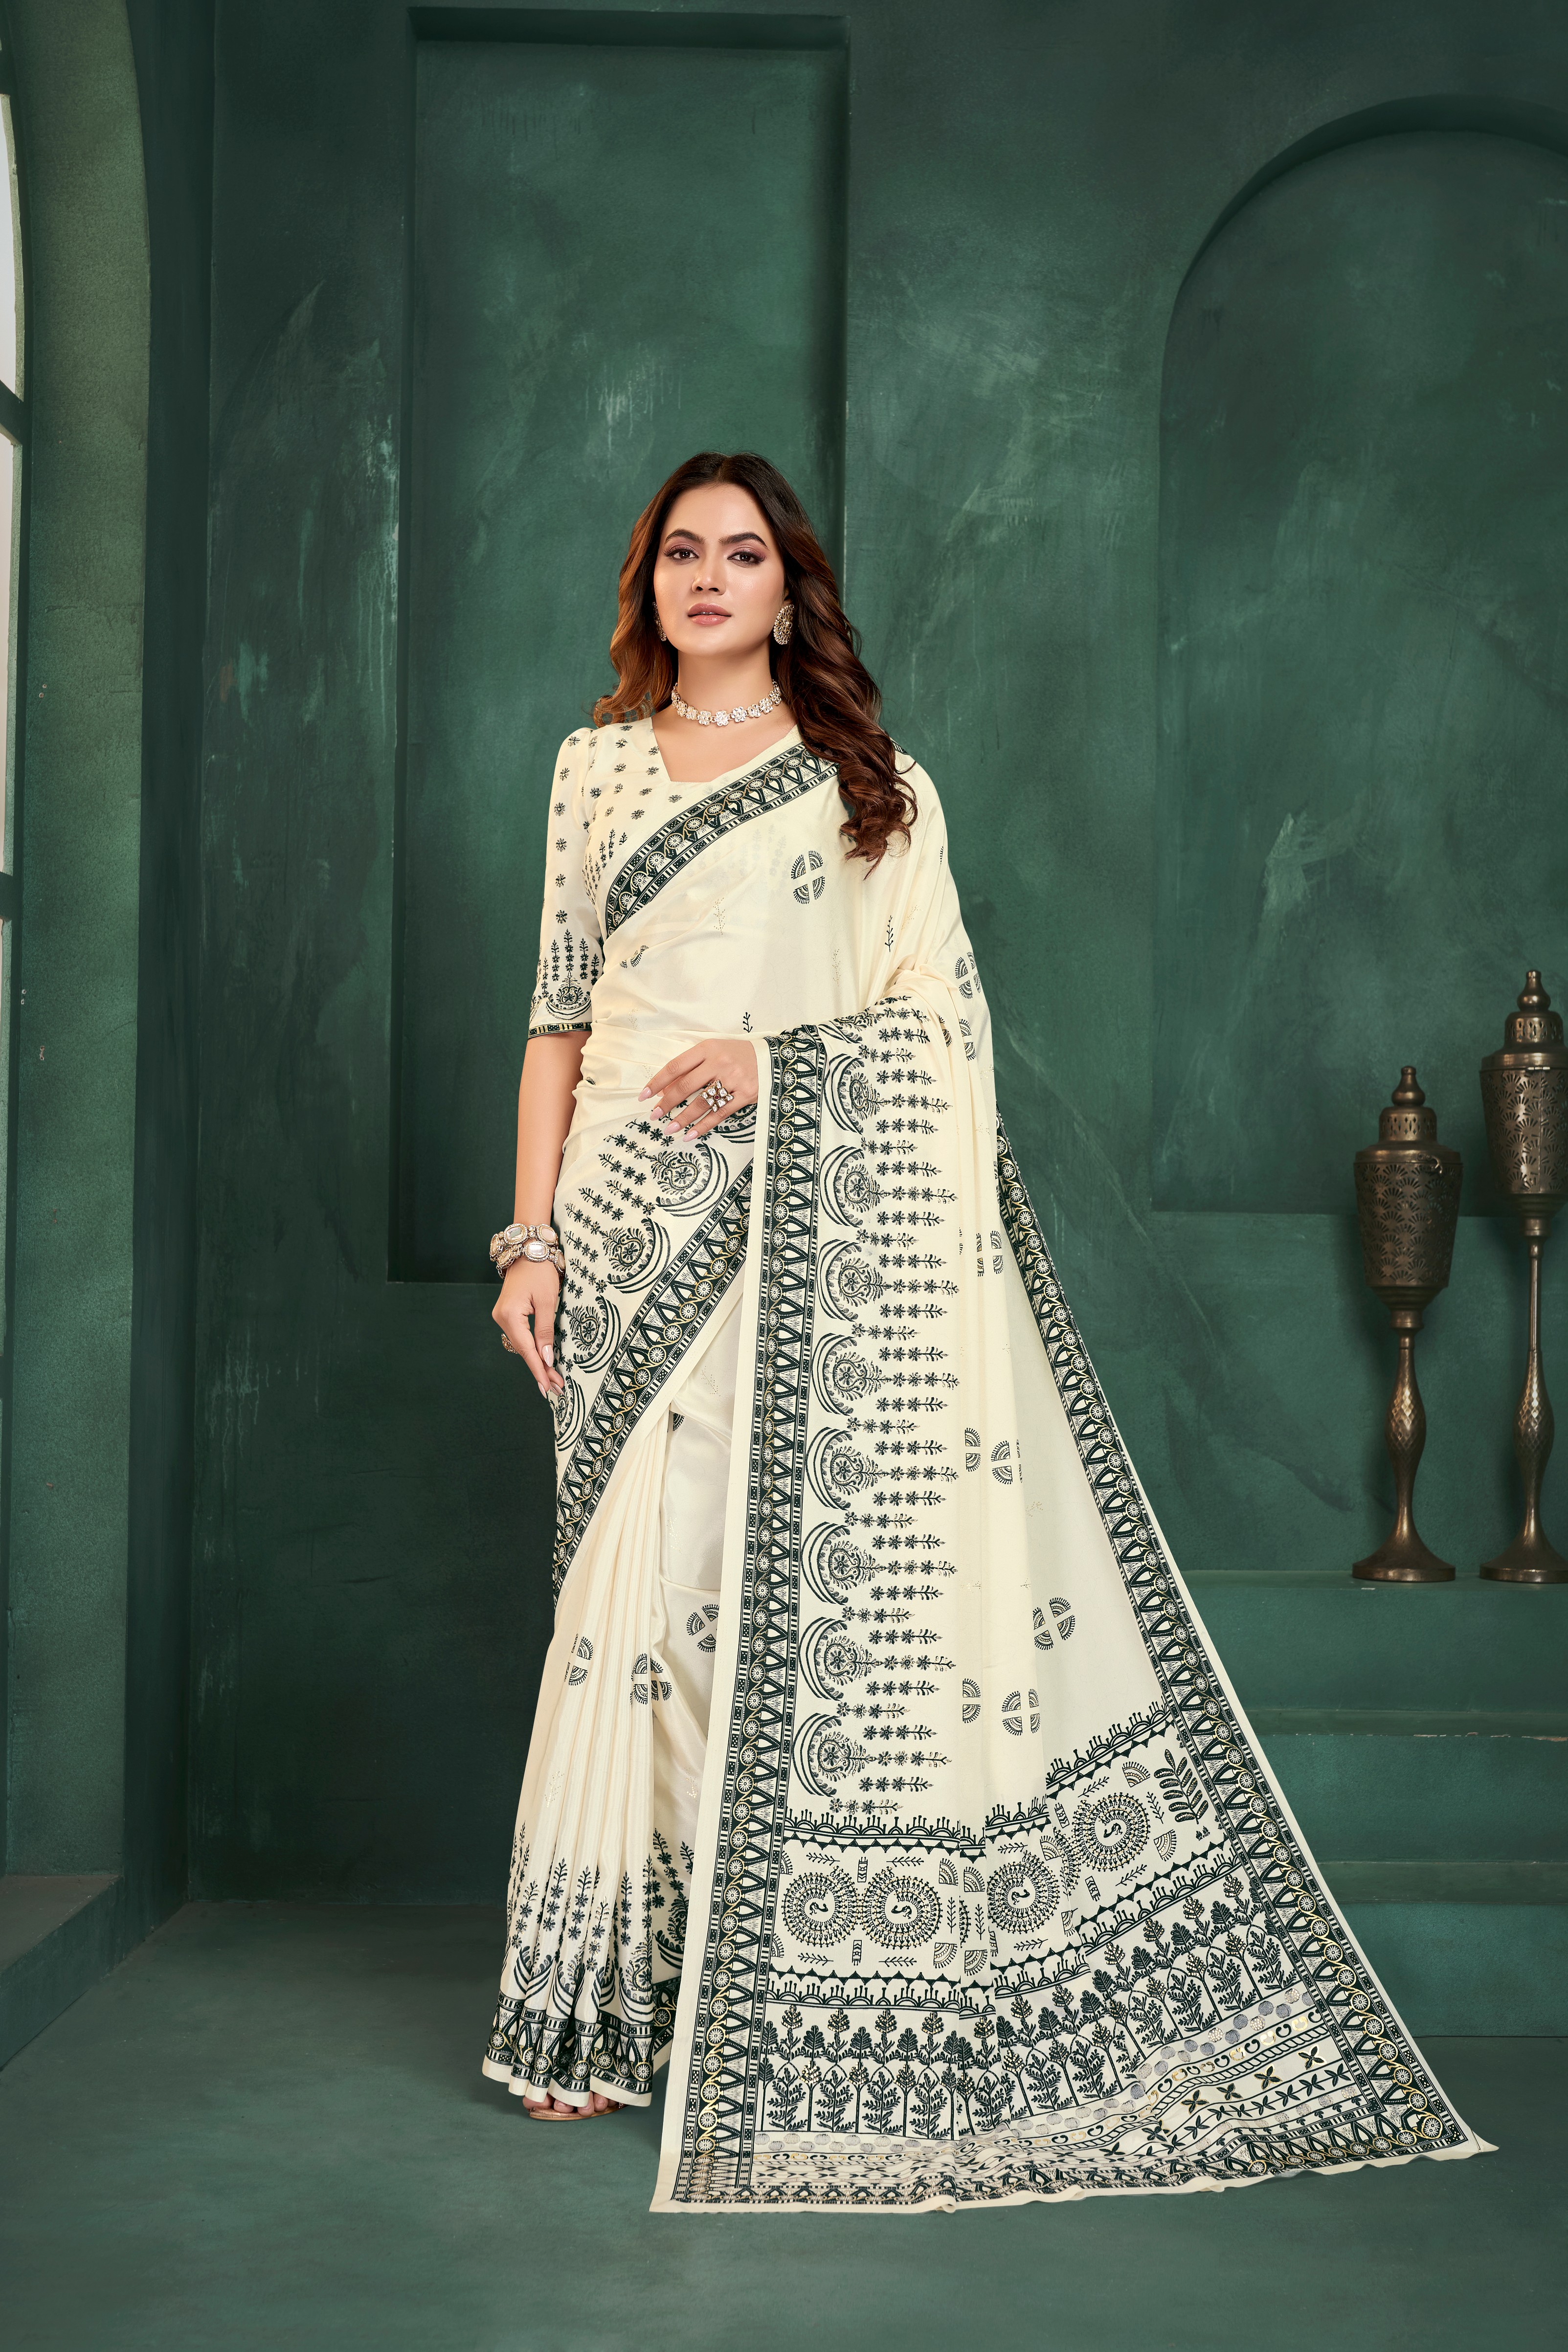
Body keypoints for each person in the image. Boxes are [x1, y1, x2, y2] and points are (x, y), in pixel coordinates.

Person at [480, 451, 1486, 2213]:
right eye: (680, 553)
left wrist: (779, 1066)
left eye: (742, 553)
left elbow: (941, 1039)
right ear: (649, 585)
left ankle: (751, 1999)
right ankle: (595, 2007)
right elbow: (557, 1023)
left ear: (789, 587)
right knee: (617, 1619)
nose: (708, 577)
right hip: (625, 1240)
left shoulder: (868, 787)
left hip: (785, 1235)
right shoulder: (592, 769)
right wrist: (531, 1239)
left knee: (731, 1610)